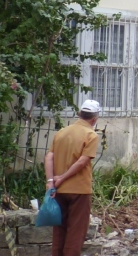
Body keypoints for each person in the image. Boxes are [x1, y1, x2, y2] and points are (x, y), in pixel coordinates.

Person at [44, 99, 100, 256]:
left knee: (59, 231)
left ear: (79, 114)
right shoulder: (91, 135)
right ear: (94, 118)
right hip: (79, 190)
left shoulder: (62, 132)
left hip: (59, 190)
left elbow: (49, 157)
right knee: (76, 232)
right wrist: (62, 177)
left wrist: (51, 181)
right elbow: (83, 161)